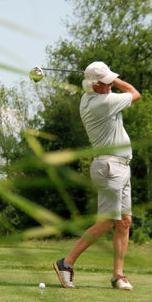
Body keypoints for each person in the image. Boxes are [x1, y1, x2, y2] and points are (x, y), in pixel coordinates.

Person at [53, 61, 141, 290]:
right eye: (106, 82)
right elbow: (135, 93)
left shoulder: (90, 97)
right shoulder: (103, 102)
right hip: (110, 168)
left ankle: (118, 276)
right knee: (107, 222)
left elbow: (113, 88)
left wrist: (107, 78)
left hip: (120, 167)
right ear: (94, 85)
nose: (111, 84)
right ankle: (66, 263)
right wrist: (116, 80)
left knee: (124, 221)